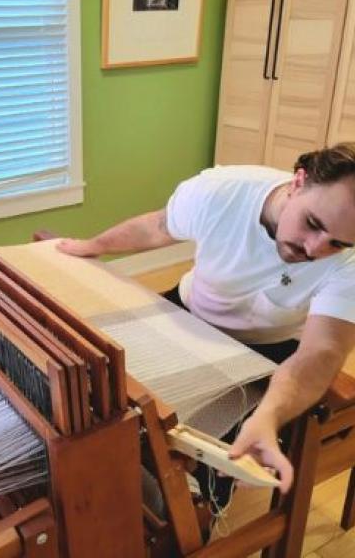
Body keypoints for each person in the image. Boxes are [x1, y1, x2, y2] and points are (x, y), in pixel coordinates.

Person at [57, 143, 355, 497]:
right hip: (188, 313)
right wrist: (94, 246)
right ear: (298, 182)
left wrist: (271, 414)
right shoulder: (222, 191)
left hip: (265, 351)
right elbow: (157, 226)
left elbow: (322, 350)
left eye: (337, 243)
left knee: (210, 467)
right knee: (103, 393)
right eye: (312, 224)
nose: (314, 249)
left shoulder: (348, 264)